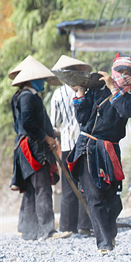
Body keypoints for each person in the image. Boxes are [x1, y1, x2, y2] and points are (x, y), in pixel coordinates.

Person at [68, 53, 131, 255]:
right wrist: (81, 92)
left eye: (129, 72)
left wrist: (112, 88)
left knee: (113, 200)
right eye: (120, 71)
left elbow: (127, 112)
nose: (124, 75)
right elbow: (82, 118)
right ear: (113, 70)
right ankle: (104, 243)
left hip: (110, 150)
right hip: (87, 148)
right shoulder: (96, 92)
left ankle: (109, 233)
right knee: (95, 196)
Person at [9, 56, 72, 241]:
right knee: (43, 188)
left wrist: (53, 134)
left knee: (31, 189)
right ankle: (47, 230)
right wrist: (46, 138)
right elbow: (28, 123)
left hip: (27, 146)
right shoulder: (28, 97)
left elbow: (32, 123)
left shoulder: (21, 96)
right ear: (32, 79)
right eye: (41, 80)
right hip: (34, 149)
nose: (43, 83)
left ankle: (29, 230)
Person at [50, 55, 93, 236]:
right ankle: (85, 225)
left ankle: (68, 226)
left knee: (69, 187)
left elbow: (55, 123)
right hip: (86, 143)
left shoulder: (57, 94)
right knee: (86, 183)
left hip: (67, 143)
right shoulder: (87, 91)